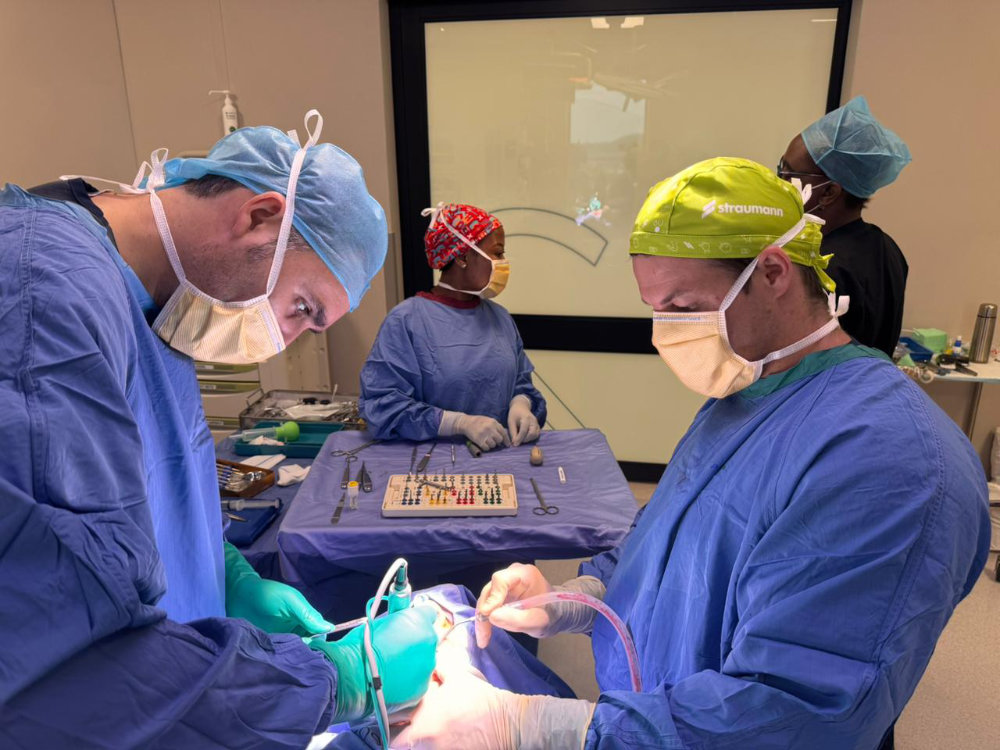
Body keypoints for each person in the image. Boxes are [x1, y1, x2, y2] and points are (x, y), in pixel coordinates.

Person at [393, 158, 990, 750]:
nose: (667, 331)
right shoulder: (746, 393)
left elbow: (796, 714)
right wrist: (577, 598)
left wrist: (544, 728)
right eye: (656, 308)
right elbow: (666, 539)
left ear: (773, 272)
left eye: (682, 307)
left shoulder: (890, 461)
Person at [0, 111, 437, 748]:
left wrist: (225, 576)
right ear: (260, 216)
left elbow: (146, 502)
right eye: (301, 308)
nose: (286, 339)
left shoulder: (162, 308)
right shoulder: (41, 299)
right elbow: (76, 663)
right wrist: (336, 680)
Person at [360, 203, 545, 451]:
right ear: (462, 257)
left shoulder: (499, 318)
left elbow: (521, 383)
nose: (503, 263)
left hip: (501, 455)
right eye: (497, 253)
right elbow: (383, 406)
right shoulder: (407, 321)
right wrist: (456, 423)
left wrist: (521, 404)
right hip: (434, 461)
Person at [779, 95, 911, 357]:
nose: (780, 182)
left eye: (788, 173)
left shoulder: (820, 264)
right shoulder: (886, 248)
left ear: (829, 192)